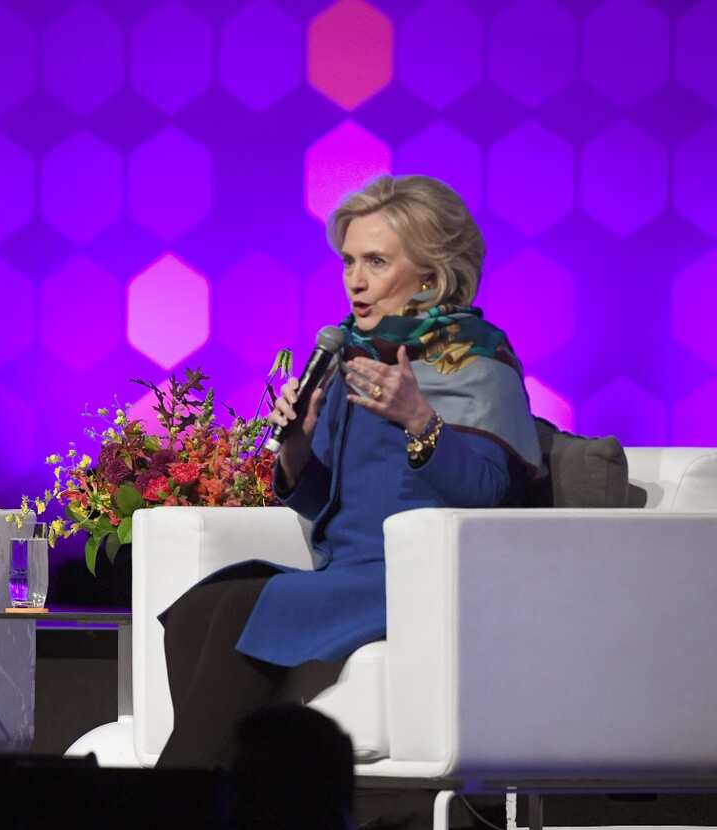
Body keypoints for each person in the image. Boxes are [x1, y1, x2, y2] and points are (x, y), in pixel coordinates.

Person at [157, 175, 541, 767]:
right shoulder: (353, 359)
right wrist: (296, 446)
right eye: (349, 261)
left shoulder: (477, 361)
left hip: (423, 578)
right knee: (203, 605)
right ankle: (241, 804)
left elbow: (490, 495)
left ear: (430, 278)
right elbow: (327, 502)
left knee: (241, 608)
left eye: (376, 261)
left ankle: (177, 811)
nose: (355, 281)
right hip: (350, 571)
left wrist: (420, 421)